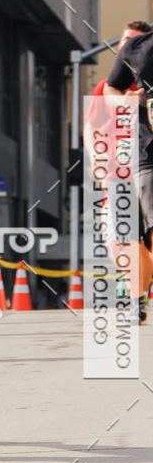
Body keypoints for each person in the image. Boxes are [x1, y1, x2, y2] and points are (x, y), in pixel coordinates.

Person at [84, 21, 152, 322]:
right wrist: (96, 163)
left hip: (145, 160)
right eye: (123, 40)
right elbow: (91, 127)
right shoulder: (107, 86)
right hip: (117, 171)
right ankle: (136, 296)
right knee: (124, 238)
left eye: (132, 40)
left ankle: (141, 292)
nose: (125, 45)